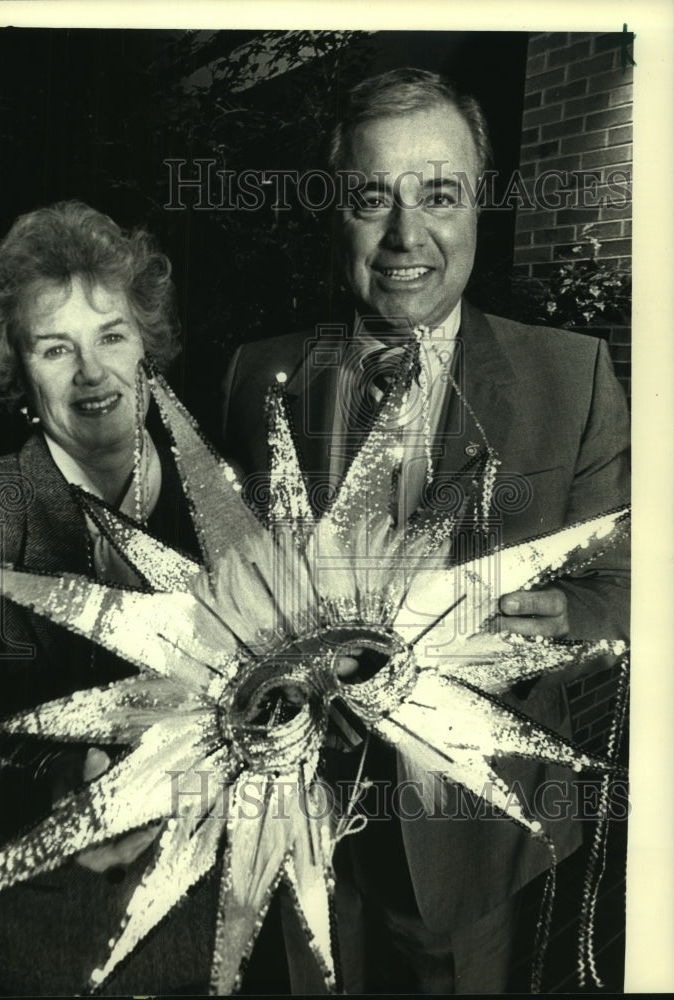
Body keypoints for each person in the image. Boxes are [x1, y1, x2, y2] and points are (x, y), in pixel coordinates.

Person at [222, 69, 630, 994]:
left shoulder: (572, 380)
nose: (406, 236)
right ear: (338, 214)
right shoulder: (257, 376)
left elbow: (630, 588)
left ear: (479, 203)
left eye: (439, 194)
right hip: (290, 828)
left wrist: (564, 613)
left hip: (468, 847)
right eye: (374, 198)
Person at [0, 201, 216, 996]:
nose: (92, 374)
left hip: (208, 936)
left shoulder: (228, 499)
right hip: (47, 945)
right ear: (18, 370)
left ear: (149, 347)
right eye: (56, 348)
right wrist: (47, 791)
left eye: (112, 335)